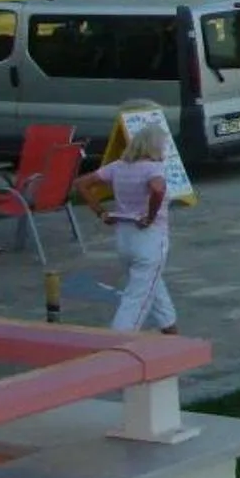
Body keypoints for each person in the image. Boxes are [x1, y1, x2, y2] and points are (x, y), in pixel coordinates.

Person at [75, 109, 177, 333]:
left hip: (124, 236)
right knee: (136, 299)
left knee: (153, 286)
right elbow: (158, 189)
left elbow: (81, 183)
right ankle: (118, 342)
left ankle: (170, 328)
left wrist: (101, 212)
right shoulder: (154, 168)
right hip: (150, 238)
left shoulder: (118, 167)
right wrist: (150, 216)